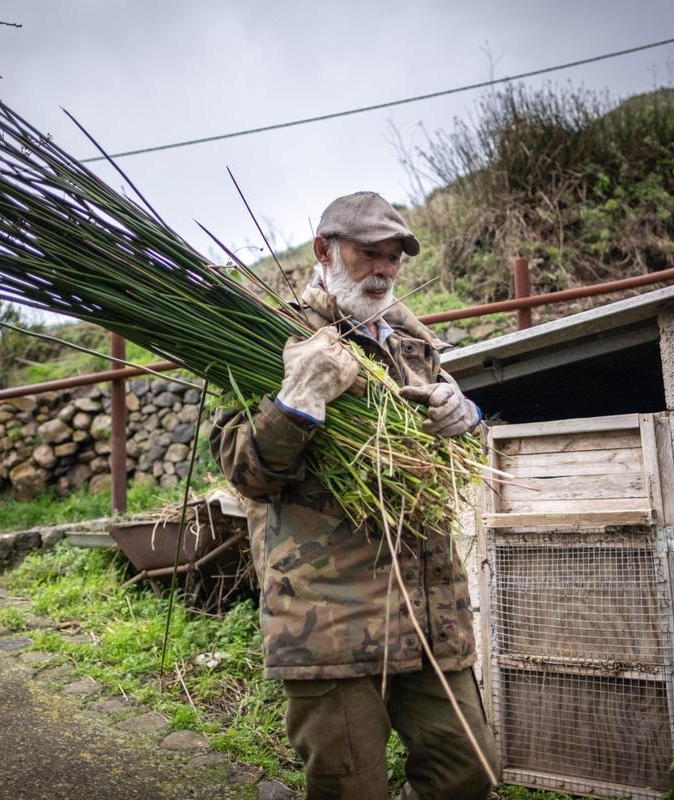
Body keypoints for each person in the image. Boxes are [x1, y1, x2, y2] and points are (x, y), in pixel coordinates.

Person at [210, 191, 498, 800]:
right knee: (352, 791)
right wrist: (297, 401)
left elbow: (456, 454)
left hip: (428, 613)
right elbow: (244, 470)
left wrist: (466, 416)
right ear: (324, 251)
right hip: (330, 620)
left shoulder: (413, 343)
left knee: (468, 771)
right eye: (369, 253)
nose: (384, 270)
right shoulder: (273, 338)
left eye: (394, 257)